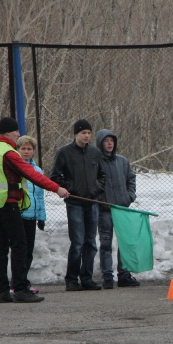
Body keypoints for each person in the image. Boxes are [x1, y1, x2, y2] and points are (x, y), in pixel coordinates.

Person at [0, 117, 69, 304]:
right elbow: (32, 174)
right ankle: (19, 288)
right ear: (9, 132)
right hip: (8, 204)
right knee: (19, 244)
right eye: (16, 131)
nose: (18, 135)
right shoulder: (8, 153)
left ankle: (1, 291)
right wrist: (56, 188)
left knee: (1, 247)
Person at [50, 119, 106, 292]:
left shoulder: (95, 153)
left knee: (91, 242)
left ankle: (87, 278)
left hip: (92, 202)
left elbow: (102, 175)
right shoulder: (64, 153)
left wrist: (96, 188)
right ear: (76, 134)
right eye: (83, 133)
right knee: (77, 243)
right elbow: (55, 176)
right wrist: (70, 188)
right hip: (74, 202)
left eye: (89, 133)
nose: (86, 136)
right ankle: (72, 279)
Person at [95, 129, 139, 289]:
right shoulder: (95, 162)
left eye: (112, 141)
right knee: (106, 243)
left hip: (122, 209)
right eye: (106, 141)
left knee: (125, 243)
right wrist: (100, 199)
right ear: (100, 143)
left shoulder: (122, 161)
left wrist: (129, 196)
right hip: (105, 209)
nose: (109, 143)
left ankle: (124, 275)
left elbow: (131, 179)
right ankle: (107, 276)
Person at [15, 135, 47, 294]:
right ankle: (17, 283)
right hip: (19, 215)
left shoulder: (38, 170)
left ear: (33, 151)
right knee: (19, 250)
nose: (26, 152)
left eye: (29, 149)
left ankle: (23, 281)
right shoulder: (15, 168)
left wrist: (41, 217)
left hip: (32, 216)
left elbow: (40, 196)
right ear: (18, 150)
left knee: (29, 251)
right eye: (23, 149)